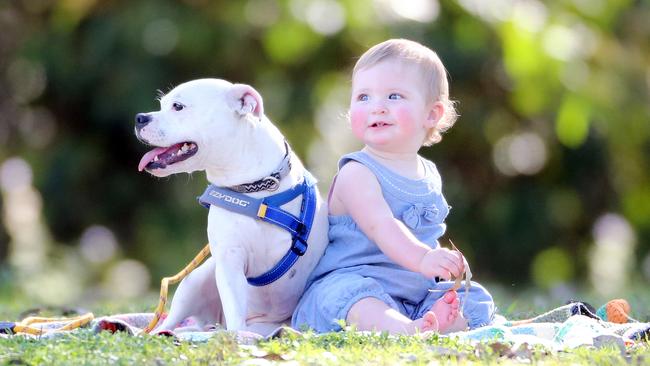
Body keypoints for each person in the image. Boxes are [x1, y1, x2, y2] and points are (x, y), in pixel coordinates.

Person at [292, 39, 495, 334]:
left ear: (432, 114)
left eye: (394, 96)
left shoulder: (429, 174)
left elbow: (425, 237)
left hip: (413, 292)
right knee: (351, 299)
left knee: (472, 298)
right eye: (363, 97)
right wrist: (424, 258)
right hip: (356, 281)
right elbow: (382, 226)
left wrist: (442, 264)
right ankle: (406, 329)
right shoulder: (357, 173)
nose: (377, 108)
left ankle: (433, 322)